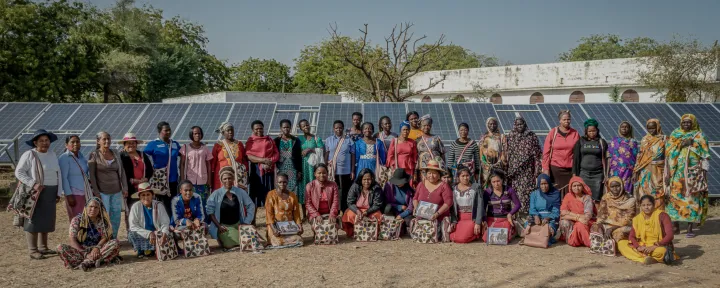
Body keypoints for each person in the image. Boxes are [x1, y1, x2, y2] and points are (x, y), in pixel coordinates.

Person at [13, 129, 62, 260]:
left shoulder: (52, 154)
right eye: (41, 141)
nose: (45, 143)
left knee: (46, 219)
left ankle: (43, 247)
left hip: (50, 191)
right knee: (33, 219)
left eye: (47, 140)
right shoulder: (29, 155)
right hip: (34, 192)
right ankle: (32, 249)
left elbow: (58, 174)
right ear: (35, 143)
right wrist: (33, 183)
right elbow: (19, 172)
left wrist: (59, 191)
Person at [665, 114, 710, 237]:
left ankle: (690, 228)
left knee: (691, 199)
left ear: (693, 123)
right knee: (675, 199)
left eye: (688, 122)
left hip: (693, 173)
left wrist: (704, 173)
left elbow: (705, 156)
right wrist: (682, 144)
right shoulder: (675, 134)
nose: (686, 124)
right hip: (676, 173)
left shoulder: (700, 136)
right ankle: (676, 226)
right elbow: (668, 153)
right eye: (683, 122)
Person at [56, 197, 120, 271]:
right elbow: (72, 239)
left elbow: (105, 237)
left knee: (115, 243)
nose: (93, 209)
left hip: (97, 250)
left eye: (96, 207)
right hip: (81, 250)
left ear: (100, 210)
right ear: (86, 207)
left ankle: (87, 262)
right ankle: (92, 261)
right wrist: (85, 254)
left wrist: (97, 248)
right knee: (60, 247)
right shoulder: (77, 220)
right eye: (91, 206)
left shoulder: (103, 221)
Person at [88, 131, 127, 239]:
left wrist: (125, 187)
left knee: (116, 216)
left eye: (108, 139)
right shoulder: (94, 155)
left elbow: (122, 172)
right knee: (104, 216)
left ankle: (113, 238)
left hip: (117, 191)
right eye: (104, 139)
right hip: (102, 192)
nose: (107, 141)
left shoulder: (115, 153)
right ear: (98, 141)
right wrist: (96, 192)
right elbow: (92, 175)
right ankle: (104, 238)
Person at [618, 195, 678, 265]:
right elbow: (631, 236)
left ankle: (641, 256)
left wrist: (655, 246)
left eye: (649, 205)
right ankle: (645, 259)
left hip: (658, 246)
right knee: (621, 243)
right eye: (643, 205)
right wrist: (638, 247)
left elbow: (670, 235)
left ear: (654, 204)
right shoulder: (637, 218)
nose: (646, 207)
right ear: (640, 206)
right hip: (643, 246)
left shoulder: (663, 216)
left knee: (662, 251)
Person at [207, 167, 256, 250]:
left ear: (233, 178)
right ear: (221, 180)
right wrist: (219, 226)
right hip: (224, 227)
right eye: (225, 178)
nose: (227, 181)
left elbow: (251, 205)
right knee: (230, 244)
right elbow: (210, 212)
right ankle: (222, 238)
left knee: (251, 241)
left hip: (238, 224)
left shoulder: (240, 192)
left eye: (230, 178)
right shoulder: (216, 194)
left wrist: (246, 222)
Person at [505, 116, 542, 215]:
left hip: (527, 170)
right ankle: (514, 215)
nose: (519, 126)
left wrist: (537, 170)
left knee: (526, 192)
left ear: (524, 124)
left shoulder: (531, 136)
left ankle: (525, 215)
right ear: (514, 125)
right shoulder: (510, 136)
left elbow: (537, 154)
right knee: (514, 192)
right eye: (517, 124)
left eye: (521, 124)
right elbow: (506, 153)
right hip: (513, 172)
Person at [118, 132, 153, 234]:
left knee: (144, 208)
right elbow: (120, 172)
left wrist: (146, 178)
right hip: (129, 188)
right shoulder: (121, 156)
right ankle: (132, 232)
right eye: (128, 143)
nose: (131, 145)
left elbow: (150, 169)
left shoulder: (142, 155)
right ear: (124, 144)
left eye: (133, 143)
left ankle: (145, 230)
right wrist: (132, 180)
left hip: (144, 188)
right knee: (131, 209)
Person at [144, 121, 181, 214]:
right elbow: (143, 158)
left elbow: (184, 156)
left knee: (173, 202)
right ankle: (161, 223)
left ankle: (171, 224)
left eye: (169, 130)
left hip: (173, 179)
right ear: (159, 131)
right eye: (166, 130)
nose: (168, 132)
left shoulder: (175, 144)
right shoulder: (153, 144)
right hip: (159, 180)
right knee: (161, 202)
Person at [412, 160, 453, 240]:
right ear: (426, 174)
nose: (431, 175)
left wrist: (437, 214)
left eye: (434, 173)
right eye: (429, 173)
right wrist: (416, 208)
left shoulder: (444, 186)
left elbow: (448, 202)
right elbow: (415, 198)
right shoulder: (421, 184)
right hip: (422, 215)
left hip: (438, 217)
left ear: (439, 175)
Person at [128, 182, 170, 259]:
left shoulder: (159, 205)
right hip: (143, 233)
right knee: (131, 234)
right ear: (139, 197)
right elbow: (133, 226)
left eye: (148, 194)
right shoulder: (135, 207)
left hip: (157, 233)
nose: (146, 197)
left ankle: (154, 249)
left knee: (168, 233)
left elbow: (165, 222)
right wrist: (149, 233)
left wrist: (164, 234)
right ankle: (141, 250)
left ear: (152, 195)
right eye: (143, 195)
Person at [543, 110, 579, 195]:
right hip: (555, 169)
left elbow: (578, 152)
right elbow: (546, 152)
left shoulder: (575, 133)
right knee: (556, 192)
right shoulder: (553, 132)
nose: (567, 121)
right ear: (560, 120)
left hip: (570, 170)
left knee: (569, 192)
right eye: (564, 119)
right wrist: (545, 168)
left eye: (568, 119)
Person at [633, 119, 666, 209]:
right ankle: (646, 215)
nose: (651, 130)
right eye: (649, 128)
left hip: (658, 170)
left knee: (658, 192)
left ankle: (658, 215)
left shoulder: (664, 139)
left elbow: (668, 155)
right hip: (645, 170)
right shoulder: (645, 139)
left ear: (657, 127)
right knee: (645, 191)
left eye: (653, 128)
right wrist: (636, 171)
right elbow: (640, 155)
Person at [572, 118, 608, 202]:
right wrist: (574, 173)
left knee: (596, 198)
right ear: (586, 131)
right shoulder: (580, 142)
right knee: (583, 197)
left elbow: (606, 159)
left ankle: (596, 214)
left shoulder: (602, 142)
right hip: (584, 174)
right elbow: (576, 159)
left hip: (598, 175)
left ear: (597, 131)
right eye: (589, 131)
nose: (592, 133)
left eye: (593, 131)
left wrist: (606, 174)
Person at [246, 120, 279, 207]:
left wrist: (269, 161)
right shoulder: (251, 141)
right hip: (256, 170)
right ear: (253, 130)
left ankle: (270, 216)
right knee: (256, 193)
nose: (259, 130)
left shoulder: (269, 139)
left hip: (269, 169)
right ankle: (254, 219)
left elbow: (276, 153)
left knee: (269, 192)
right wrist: (263, 160)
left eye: (261, 128)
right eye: (256, 129)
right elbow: (249, 156)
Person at [342, 169, 384, 238]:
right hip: (357, 210)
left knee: (378, 216)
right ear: (360, 179)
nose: (366, 182)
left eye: (369, 179)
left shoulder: (376, 188)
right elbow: (350, 202)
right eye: (364, 179)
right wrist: (357, 211)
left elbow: (377, 204)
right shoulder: (355, 186)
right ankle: (353, 232)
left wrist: (367, 212)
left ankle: (372, 232)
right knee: (348, 215)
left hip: (371, 210)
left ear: (372, 179)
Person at [265, 173, 304, 248]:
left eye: (284, 182)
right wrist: (274, 229)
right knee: (277, 242)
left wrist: (300, 227)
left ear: (287, 182)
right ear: (276, 182)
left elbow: (296, 214)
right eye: (280, 182)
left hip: (289, 227)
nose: (282, 184)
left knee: (299, 240)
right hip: (275, 226)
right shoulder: (271, 195)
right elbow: (269, 215)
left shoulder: (292, 196)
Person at [594, 177, 636, 245]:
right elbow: (601, 215)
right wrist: (600, 226)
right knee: (595, 228)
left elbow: (627, 220)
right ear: (609, 187)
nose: (615, 189)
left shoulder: (630, 200)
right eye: (612, 187)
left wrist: (611, 229)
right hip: (607, 225)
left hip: (621, 226)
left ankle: (612, 245)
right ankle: (604, 245)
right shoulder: (606, 197)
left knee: (621, 232)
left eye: (617, 186)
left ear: (622, 185)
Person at [482, 170, 520, 244]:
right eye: (494, 182)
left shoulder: (509, 190)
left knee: (503, 239)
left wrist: (510, 214)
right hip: (492, 219)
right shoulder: (487, 192)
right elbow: (483, 208)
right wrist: (485, 221)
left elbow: (518, 204)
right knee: (487, 238)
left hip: (505, 219)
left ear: (502, 180)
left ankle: (512, 230)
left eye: (498, 181)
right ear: (490, 182)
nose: (496, 184)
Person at [179, 126, 213, 210]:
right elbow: (182, 164)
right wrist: (183, 179)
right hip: (190, 180)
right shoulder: (185, 148)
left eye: (199, 133)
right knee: (189, 202)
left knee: (202, 202)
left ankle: (203, 221)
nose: (197, 135)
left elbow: (208, 165)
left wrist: (209, 180)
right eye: (195, 133)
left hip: (203, 180)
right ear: (191, 135)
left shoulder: (205, 148)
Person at [58, 135, 91, 220]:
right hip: (74, 194)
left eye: (77, 142)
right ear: (66, 145)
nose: (75, 144)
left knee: (86, 219)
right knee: (77, 220)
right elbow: (63, 178)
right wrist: (69, 195)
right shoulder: (64, 158)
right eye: (72, 142)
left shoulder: (82, 157)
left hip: (85, 193)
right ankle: (76, 234)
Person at [324, 120, 355, 212]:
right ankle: (334, 210)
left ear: (343, 128)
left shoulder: (349, 140)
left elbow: (353, 155)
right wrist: (326, 166)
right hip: (333, 171)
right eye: (336, 128)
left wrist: (352, 170)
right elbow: (326, 154)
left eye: (340, 127)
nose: (338, 129)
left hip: (346, 171)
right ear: (333, 129)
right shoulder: (329, 140)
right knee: (333, 190)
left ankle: (344, 210)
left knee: (345, 191)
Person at [448, 167, 484, 243]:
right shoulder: (454, 189)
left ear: (470, 176)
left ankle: (476, 233)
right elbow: (452, 207)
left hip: (471, 219)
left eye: (467, 175)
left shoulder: (476, 187)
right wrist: (454, 221)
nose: (465, 178)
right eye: (462, 176)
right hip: (459, 219)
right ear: (458, 177)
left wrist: (478, 223)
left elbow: (480, 206)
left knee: (463, 239)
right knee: (452, 237)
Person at [558, 176, 595, 247]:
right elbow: (563, 214)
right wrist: (577, 218)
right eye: (574, 186)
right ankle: (571, 239)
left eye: (579, 185)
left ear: (582, 186)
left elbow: (587, 216)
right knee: (564, 222)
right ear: (571, 187)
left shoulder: (587, 198)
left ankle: (590, 244)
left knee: (579, 225)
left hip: (586, 222)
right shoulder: (568, 196)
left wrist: (569, 213)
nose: (576, 188)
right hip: (573, 221)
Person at [305, 164, 341, 236]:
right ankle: (316, 233)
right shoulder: (310, 185)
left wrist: (332, 214)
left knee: (334, 226)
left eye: (324, 173)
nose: (322, 175)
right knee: (317, 227)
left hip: (329, 213)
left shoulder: (333, 185)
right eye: (319, 173)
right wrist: (316, 215)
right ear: (315, 174)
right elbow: (308, 203)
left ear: (327, 173)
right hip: (315, 214)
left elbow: (335, 201)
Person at [526, 174, 561, 246]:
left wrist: (548, 218)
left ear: (549, 183)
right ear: (538, 184)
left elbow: (556, 210)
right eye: (542, 184)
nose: (544, 186)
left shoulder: (555, 193)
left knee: (548, 228)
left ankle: (542, 239)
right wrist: (536, 216)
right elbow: (532, 208)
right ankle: (536, 238)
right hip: (537, 217)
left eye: (546, 183)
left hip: (550, 218)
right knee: (528, 225)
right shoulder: (534, 194)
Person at [211, 122, 247, 191]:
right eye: (228, 130)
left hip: (239, 176)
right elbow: (213, 163)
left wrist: (246, 173)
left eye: (232, 130)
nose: (230, 132)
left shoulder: (239, 144)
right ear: (223, 132)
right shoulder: (218, 145)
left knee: (237, 197)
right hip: (222, 176)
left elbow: (244, 160)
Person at [607, 121, 639, 194]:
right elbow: (609, 157)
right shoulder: (614, 141)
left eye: (626, 127)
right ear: (619, 129)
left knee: (626, 190)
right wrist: (607, 173)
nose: (624, 128)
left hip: (628, 171)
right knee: (615, 189)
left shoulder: (633, 142)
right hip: (615, 170)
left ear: (630, 129)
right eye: (622, 127)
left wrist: (635, 173)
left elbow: (636, 158)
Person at [298, 119, 324, 208]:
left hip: (313, 167)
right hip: (303, 166)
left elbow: (321, 151)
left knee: (314, 187)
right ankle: (304, 214)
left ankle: (314, 212)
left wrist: (310, 150)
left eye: (307, 125)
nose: (306, 127)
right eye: (303, 126)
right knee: (303, 188)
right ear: (300, 128)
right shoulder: (299, 139)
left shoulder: (316, 139)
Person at [386, 121, 418, 188]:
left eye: (407, 130)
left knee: (409, 184)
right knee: (398, 185)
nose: (406, 131)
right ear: (400, 130)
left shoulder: (412, 142)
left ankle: (408, 198)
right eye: (404, 129)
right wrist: (392, 166)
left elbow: (415, 156)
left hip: (409, 167)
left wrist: (415, 168)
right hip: (397, 167)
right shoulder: (395, 141)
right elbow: (390, 155)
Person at [274, 119, 302, 194]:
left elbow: (299, 156)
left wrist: (299, 171)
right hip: (280, 168)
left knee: (292, 188)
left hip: (292, 168)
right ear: (281, 128)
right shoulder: (276, 140)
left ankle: (291, 205)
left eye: (288, 127)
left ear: (290, 128)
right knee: (280, 186)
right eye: (284, 127)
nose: (286, 129)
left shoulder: (296, 140)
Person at [478, 117, 506, 189]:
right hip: (486, 166)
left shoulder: (501, 137)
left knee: (498, 183)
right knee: (486, 184)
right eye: (490, 124)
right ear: (487, 125)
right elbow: (480, 152)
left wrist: (499, 162)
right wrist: (485, 163)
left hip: (498, 165)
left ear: (497, 125)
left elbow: (504, 150)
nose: (492, 125)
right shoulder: (483, 137)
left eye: (494, 124)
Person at [416, 116, 445, 181]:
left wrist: (443, 167)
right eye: (424, 125)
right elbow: (416, 155)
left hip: (436, 166)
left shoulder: (436, 138)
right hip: (423, 168)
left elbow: (442, 154)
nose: (426, 127)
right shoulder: (417, 140)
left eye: (428, 125)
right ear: (420, 126)